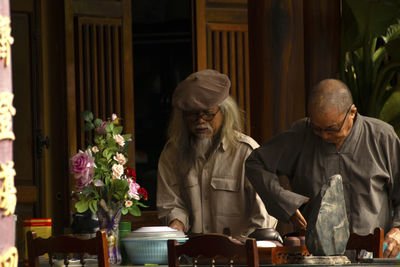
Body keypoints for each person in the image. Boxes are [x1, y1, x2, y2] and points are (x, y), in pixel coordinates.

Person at [245, 78, 400, 257]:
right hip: (316, 257)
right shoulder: (301, 134)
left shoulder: (381, 136)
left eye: (331, 129)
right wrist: (285, 202)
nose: (324, 136)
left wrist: (398, 229)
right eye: (317, 129)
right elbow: (256, 164)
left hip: (371, 255)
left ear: (352, 112)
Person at [157, 69, 277, 241]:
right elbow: (171, 204)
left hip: (241, 256)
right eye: (192, 115)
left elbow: (264, 216)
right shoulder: (172, 154)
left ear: (225, 111)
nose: (200, 121)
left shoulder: (246, 152)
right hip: (191, 256)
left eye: (208, 114)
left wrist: (239, 246)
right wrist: (176, 224)